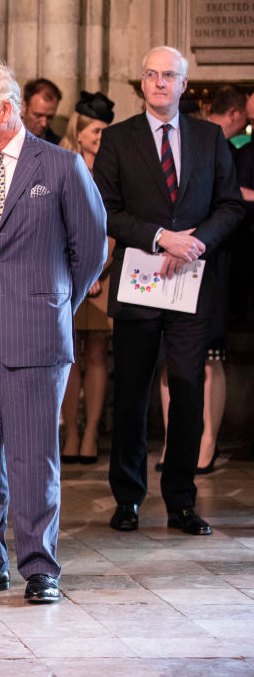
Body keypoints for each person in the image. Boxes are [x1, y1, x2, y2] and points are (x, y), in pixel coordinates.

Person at [0, 61, 106, 604]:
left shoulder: (60, 166)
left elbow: (91, 248)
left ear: (6, 110)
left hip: (36, 336)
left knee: (34, 459)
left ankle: (40, 568)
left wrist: (55, 305)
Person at [95, 47, 244, 537]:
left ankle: (181, 501)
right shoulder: (118, 139)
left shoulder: (208, 137)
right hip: (140, 282)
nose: (160, 82)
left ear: (184, 84)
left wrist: (195, 242)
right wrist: (162, 237)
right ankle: (128, 499)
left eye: (169, 75)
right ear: (142, 83)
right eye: (151, 75)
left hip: (190, 285)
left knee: (186, 390)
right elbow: (104, 209)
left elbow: (229, 205)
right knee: (132, 394)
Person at [153, 84, 249, 476]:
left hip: (211, 259)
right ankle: (172, 442)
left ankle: (206, 443)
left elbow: (230, 204)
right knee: (167, 358)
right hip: (166, 259)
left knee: (210, 356)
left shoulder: (222, 148)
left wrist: (198, 236)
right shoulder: (166, 151)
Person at [58, 91, 116, 465]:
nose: (100, 137)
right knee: (70, 354)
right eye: (95, 130)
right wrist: (78, 270)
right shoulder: (61, 164)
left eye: (105, 131)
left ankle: (91, 433)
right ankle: (72, 433)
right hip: (67, 273)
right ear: (78, 131)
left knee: (96, 352)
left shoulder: (113, 169)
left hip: (104, 273)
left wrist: (96, 269)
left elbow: (116, 223)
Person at [22, 77, 63, 144]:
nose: (44, 124)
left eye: (49, 117)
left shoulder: (59, 145)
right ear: (24, 107)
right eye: (38, 115)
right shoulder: (4, 137)